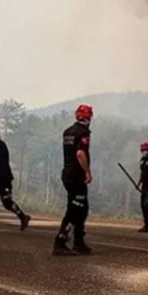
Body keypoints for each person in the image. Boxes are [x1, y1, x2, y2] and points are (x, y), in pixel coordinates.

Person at [53, 104, 94, 256]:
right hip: (76, 176)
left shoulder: (68, 132)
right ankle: (60, 241)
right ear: (88, 118)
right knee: (75, 209)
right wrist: (88, 172)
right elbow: (80, 153)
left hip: (67, 174)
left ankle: (78, 242)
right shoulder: (83, 133)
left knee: (82, 208)